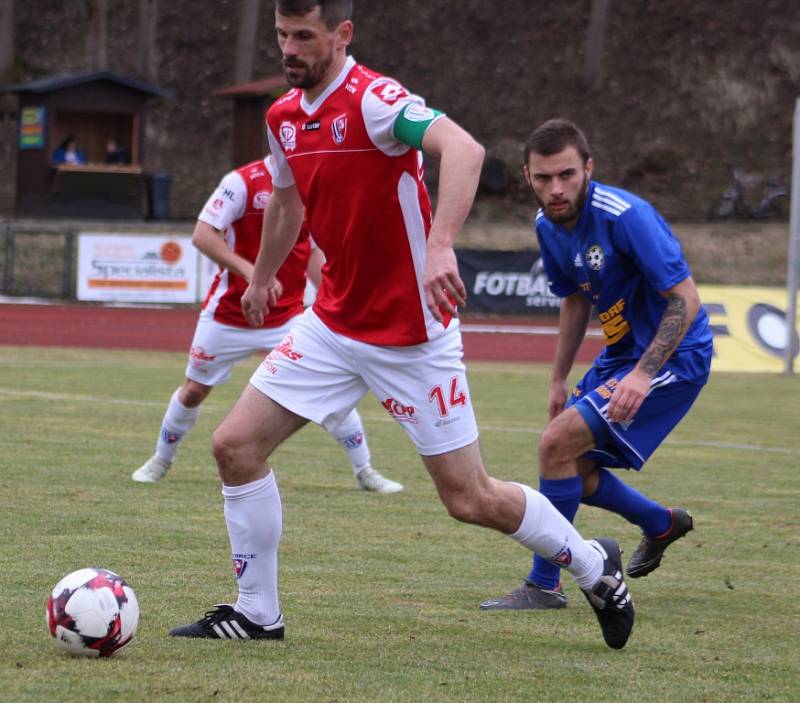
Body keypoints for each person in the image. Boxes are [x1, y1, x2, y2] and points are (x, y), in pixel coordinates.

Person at [169, 0, 634, 650]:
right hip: (331, 324)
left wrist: (441, 243)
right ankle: (258, 613)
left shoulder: (376, 100)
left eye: (304, 36)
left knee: (469, 497)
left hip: (414, 336)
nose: (290, 49)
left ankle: (593, 565)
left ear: (341, 34)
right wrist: (263, 273)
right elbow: (285, 199)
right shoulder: (281, 117)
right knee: (234, 448)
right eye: (282, 36)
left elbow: (464, 149)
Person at [480, 118, 712, 611]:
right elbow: (573, 302)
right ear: (527, 176)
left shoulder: (626, 216)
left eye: (566, 174)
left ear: (588, 168)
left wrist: (643, 375)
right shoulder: (547, 226)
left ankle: (545, 584)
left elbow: (685, 301)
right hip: (621, 356)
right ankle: (659, 522)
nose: (556, 188)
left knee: (554, 445)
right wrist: (559, 377)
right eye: (543, 178)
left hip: (677, 355)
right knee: (573, 470)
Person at [132, 154, 403, 494]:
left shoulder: (316, 183)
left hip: (289, 316)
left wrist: (337, 299)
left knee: (326, 388)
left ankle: (365, 470)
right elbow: (203, 235)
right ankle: (161, 459)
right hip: (228, 314)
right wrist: (253, 275)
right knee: (194, 392)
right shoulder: (242, 182)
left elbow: (314, 251)